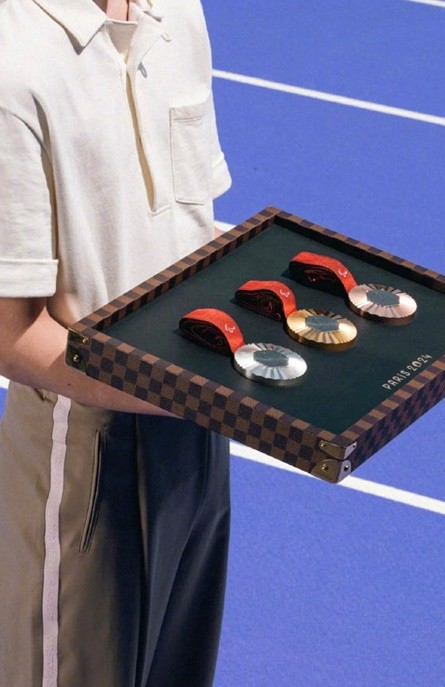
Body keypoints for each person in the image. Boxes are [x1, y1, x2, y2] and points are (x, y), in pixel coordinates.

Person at [0, 0, 232, 685]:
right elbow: (13, 334)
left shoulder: (177, 13)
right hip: (87, 450)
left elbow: (193, 226)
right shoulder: (13, 60)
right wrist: (188, 389)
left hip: (199, 434)